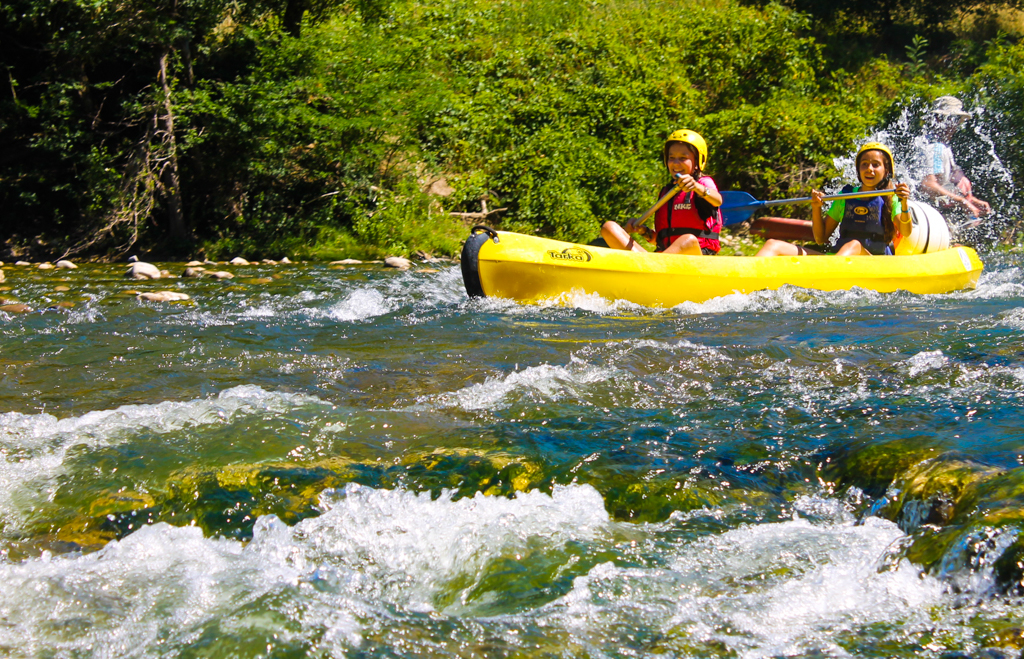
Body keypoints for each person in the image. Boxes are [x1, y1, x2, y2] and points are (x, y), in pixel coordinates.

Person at [756, 142, 911, 256]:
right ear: (858, 170)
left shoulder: (892, 198)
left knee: (854, 245)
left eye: (876, 165)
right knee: (772, 245)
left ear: (886, 171)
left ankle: (824, 283)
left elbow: (906, 231)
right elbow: (821, 238)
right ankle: (742, 286)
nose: (869, 169)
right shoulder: (846, 197)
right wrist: (816, 208)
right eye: (864, 164)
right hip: (838, 258)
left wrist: (904, 203)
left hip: (873, 262)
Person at [601, 129, 723, 256]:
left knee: (688, 240)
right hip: (664, 258)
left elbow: (717, 200)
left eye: (683, 158)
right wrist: (644, 232)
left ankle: (653, 267)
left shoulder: (703, 183)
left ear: (698, 161)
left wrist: (697, 187)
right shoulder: (667, 192)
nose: (676, 163)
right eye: (671, 158)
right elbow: (661, 240)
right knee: (609, 228)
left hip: (697, 255)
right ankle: (650, 268)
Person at [914, 96, 990, 221]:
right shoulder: (935, 147)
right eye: (951, 118)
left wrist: (971, 200)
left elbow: (945, 184)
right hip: (928, 215)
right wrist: (962, 202)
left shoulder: (942, 145)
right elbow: (928, 185)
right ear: (938, 119)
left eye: (956, 119)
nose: (954, 124)